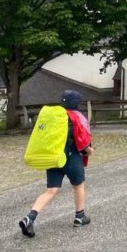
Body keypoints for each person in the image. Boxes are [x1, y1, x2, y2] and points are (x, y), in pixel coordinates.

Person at [19, 90, 93, 238]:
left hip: (53, 158)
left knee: (51, 190)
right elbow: (81, 142)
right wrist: (90, 150)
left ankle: (30, 218)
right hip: (71, 157)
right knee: (78, 185)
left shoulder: (53, 117)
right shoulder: (75, 118)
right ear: (76, 104)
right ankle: (80, 216)